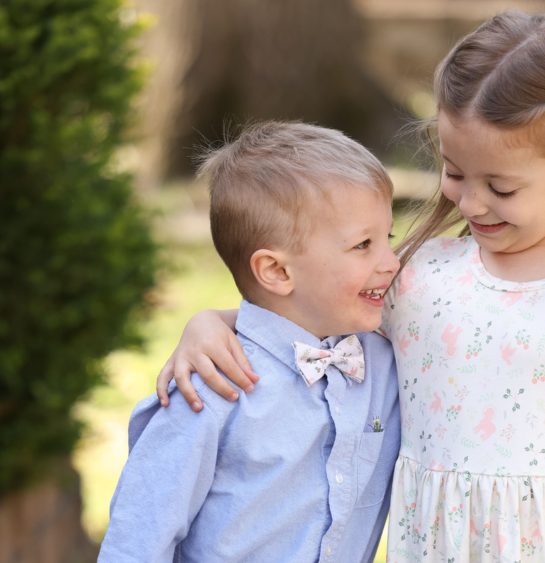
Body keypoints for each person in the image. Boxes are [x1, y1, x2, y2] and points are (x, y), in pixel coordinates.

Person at [157, 11, 545, 562]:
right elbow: (305, 314)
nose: (471, 203)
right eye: (455, 172)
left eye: (501, 188)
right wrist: (211, 323)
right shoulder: (420, 275)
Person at [98, 122, 403, 563]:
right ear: (277, 272)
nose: (391, 262)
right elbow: (137, 540)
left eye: (388, 238)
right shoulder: (210, 385)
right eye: (363, 245)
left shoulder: (384, 362)